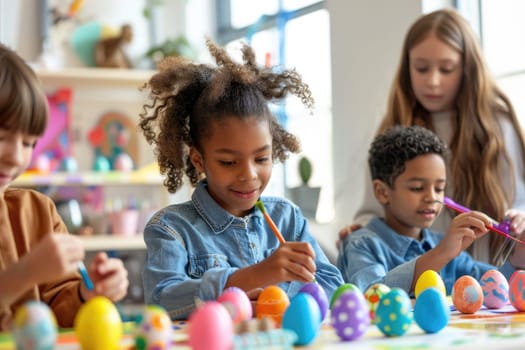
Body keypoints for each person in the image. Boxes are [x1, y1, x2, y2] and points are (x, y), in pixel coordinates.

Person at [139, 39, 344, 319]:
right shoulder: (171, 229)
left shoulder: (288, 219)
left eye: (261, 158)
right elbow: (163, 301)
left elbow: (333, 289)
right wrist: (253, 276)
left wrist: (280, 295)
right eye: (228, 162)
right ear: (199, 160)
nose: (249, 175)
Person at [339, 8, 525, 267]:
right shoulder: (394, 127)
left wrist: (519, 219)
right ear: (407, 68)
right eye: (422, 68)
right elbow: (374, 212)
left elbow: (518, 202)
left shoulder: (497, 126)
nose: (433, 81)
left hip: (489, 281)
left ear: (468, 69)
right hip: (414, 284)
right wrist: (359, 232)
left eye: (446, 69)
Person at [0, 43, 129, 330]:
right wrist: (24, 274)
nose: (16, 156)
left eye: (28, 143)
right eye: (2, 137)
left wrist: (87, 292)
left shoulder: (39, 211)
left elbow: (61, 306)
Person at [337, 125, 524, 293]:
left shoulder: (443, 244)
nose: (432, 197)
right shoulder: (361, 245)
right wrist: (441, 254)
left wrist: (517, 257)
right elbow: (372, 294)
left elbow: (493, 289)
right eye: (418, 188)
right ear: (382, 192)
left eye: (439, 188)